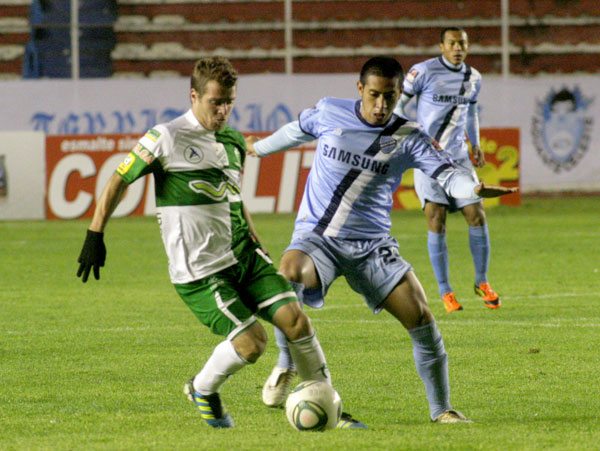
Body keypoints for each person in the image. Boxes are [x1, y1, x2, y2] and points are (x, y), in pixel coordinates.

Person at [245, 56, 516, 424]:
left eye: (390, 96)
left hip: (372, 246)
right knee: (289, 271)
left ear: (400, 93)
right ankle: (286, 361)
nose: (381, 105)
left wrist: (474, 189)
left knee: (421, 317)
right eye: (374, 94)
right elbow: (297, 130)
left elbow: (448, 175)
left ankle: (442, 410)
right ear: (360, 89)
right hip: (319, 237)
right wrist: (259, 148)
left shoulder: (410, 137)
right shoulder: (330, 111)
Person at [76, 56, 339, 429]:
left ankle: (327, 401)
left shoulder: (232, 140)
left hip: (245, 257)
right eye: (216, 102)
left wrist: (256, 240)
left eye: (229, 102)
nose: (223, 110)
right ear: (194, 96)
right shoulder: (165, 137)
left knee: (297, 322)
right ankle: (202, 388)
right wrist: (95, 233)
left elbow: (234, 197)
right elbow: (120, 179)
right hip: (201, 272)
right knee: (253, 343)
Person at [394, 27, 501, 313]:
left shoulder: (473, 78)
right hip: (428, 158)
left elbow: (471, 112)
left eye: (462, 44)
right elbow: (399, 106)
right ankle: (445, 291)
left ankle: (482, 281)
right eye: (452, 43)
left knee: (476, 214)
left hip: (459, 159)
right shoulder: (423, 72)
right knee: (436, 218)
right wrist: (407, 136)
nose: (457, 48)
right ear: (441, 46)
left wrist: (475, 144)